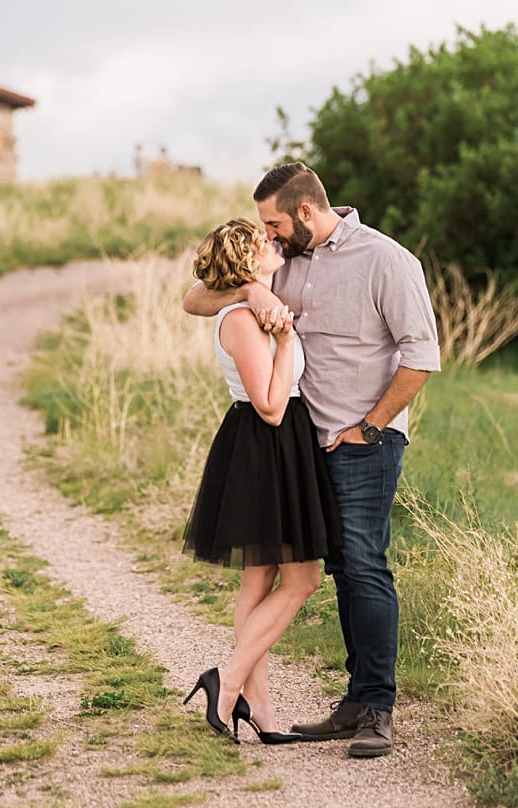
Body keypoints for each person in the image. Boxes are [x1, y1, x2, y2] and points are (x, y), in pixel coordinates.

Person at [183, 163, 441, 758]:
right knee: (321, 570)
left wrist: (370, 429)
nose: (266, 235)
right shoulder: (284, 259)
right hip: (295, 448)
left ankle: (376, 706)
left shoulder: (387, 261)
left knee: (361, 564)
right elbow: (198, 297)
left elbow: (421, 357)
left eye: (272, 222)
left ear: (304, 212)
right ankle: (348, 703)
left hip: (359, 442)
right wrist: (250, 289)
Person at [180, 216, 342, 747]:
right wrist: (289, 338)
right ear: (247, 264)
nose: (275, 244)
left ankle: (262, 714)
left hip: (280, 445)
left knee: (259, 581)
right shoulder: (242, 320)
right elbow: (271, 406)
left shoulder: (254, 305)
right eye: (263, 243)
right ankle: (225, 684)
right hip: (268, 444)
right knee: (303, 581)